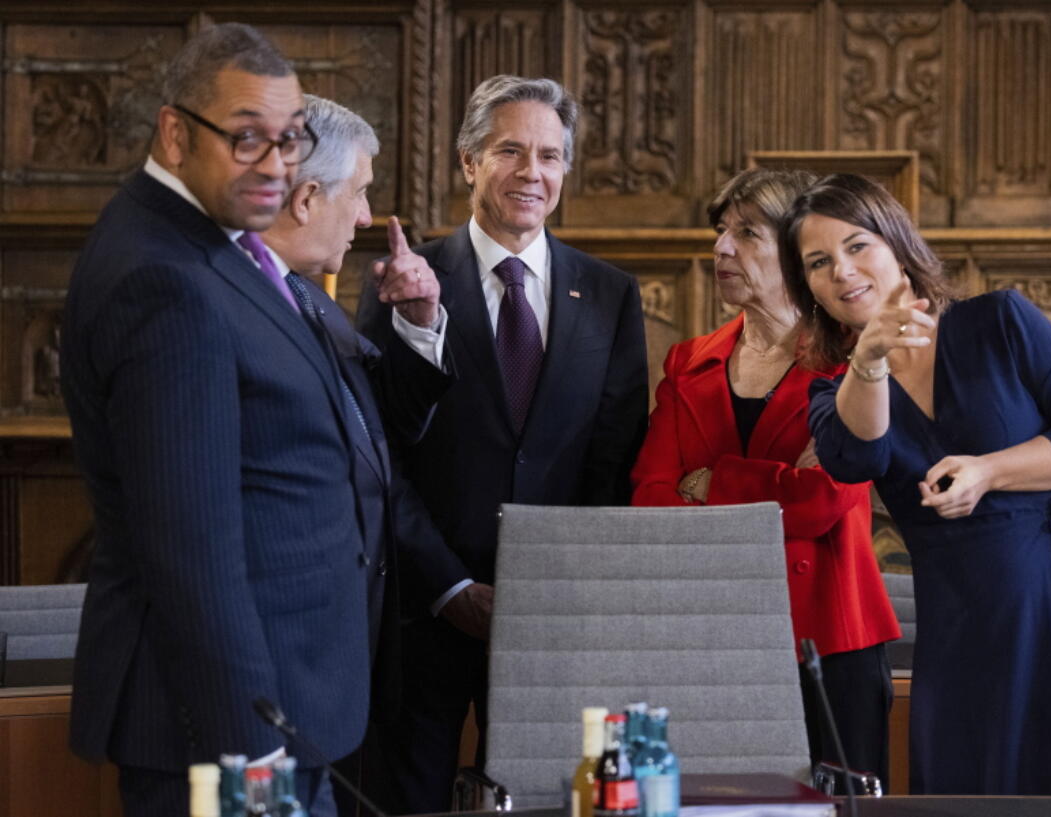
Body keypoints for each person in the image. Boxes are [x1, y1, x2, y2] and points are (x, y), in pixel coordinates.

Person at [781, 172, 1051, 795]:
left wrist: (989, 471)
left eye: (857, 245)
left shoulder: (1001, 322)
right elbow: (858, 455)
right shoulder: (833, 391)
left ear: (897, 244)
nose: (842, 270)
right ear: (810, 291)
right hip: (958, 631)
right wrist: (870, 356)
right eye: (818, 263)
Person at [63, 25, 368, 816]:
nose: (274, 164)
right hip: (227, 733)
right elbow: (188, 546)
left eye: (289, 138)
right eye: (245, 139)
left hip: (277, 703)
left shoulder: (213, 244)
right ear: (174, 131)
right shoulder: (164, 277)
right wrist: (252, 749)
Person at [356, 74, 649, 813]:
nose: (532, 173)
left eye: (550, 156)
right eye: (510, 150)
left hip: (552, 619)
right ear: (467, 162)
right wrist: (450, 586)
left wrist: (554, 588)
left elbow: (613, 461)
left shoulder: (609, 295)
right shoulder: (404, 278)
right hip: (424, 612)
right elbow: (375, 452)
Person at [630, 167, 900, 788]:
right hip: (715, 632)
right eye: (721, 231)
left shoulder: (852, 360)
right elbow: (649, 498)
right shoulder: (687, 361)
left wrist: (708, 482)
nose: (721, 249)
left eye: (746, 233)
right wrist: (773, 480)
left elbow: (822, 500)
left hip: (830, 640)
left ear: (795, 255)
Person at [258, 94, 446, 815]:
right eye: (361, 192)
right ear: (307, 198)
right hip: (272, 685)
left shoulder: (309, 302)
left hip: (327, 680)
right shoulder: (239, 300)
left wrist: (420, 321)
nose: (367, 217)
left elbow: (377, 434)